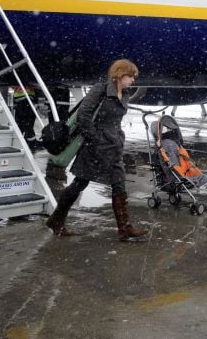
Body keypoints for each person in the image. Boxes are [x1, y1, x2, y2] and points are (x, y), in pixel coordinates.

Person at [45, 59, 147, 241]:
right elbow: (83, 115)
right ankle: (56, 220)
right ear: (120, 74)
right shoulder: (100, 90)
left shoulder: (124, 94)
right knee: (80, 183)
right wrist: (96, 138)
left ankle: (125, 229)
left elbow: (115, 120)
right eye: (131, 76)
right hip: (94, 147)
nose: (133, 80)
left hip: (114, 146)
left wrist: (116, 138)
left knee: (119, 183)